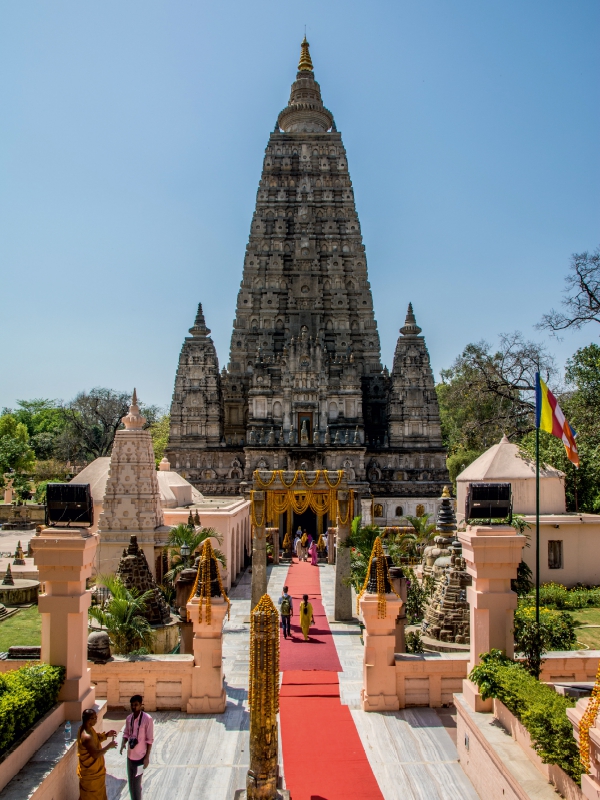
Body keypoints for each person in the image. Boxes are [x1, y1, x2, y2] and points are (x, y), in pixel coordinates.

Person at [77, 707, 117, 800]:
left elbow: (96, 740)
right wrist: (108, 746)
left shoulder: (88, 729)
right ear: (89, 720)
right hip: (91, 776)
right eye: (95, 718)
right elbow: (95, 754)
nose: (96, 720)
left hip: (96, 774)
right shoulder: (86, 736)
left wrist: (106, 735)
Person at [120, 695, 154, 800]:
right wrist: (123, 743)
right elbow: (126, 733)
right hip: (130, 757)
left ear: (141, 705)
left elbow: (149, 740)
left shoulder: (147, 719)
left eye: (136, 705)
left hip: (140, 758)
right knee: (131, 784)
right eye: (132, 705)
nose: (134, 707)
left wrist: (147, 757)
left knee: (137, 784)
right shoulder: (129, 718)